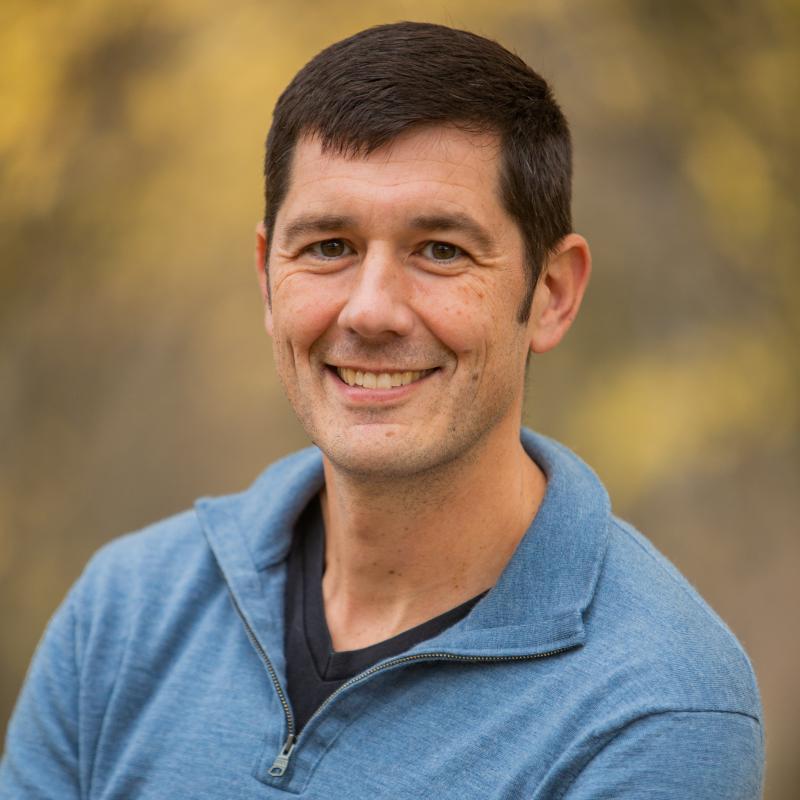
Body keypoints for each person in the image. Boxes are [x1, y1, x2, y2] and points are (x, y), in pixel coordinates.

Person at [0, 21, 763, 799]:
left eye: (441, 250)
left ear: (552, 294)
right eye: (329, 246)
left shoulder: (655, 707)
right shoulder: (124, 613)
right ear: (267, 276)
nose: (371, 312)